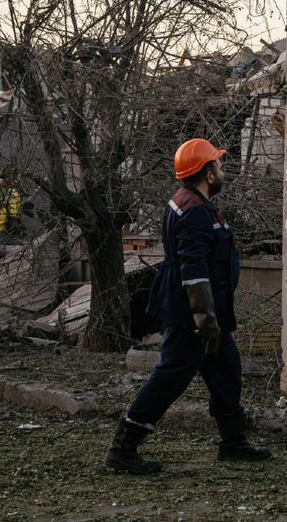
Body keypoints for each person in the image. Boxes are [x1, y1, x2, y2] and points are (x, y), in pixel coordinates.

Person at [106, 138, 271, 475]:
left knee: (226, 368)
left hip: (204, 312)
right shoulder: (195, 211)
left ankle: (233, 443)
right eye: (219, 165)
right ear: (208, 174)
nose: (223, 170)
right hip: (192, 314)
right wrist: (205, 321)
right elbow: (194, 272)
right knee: (171, 377)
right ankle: (123, 449)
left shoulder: (189, 202)